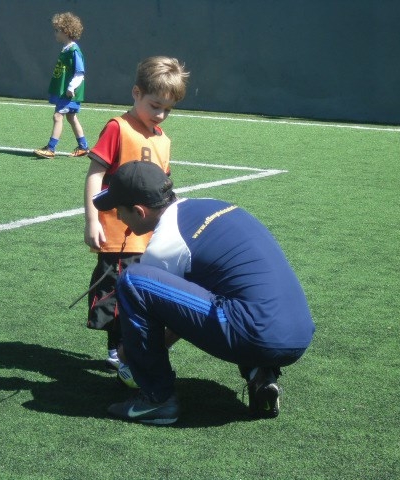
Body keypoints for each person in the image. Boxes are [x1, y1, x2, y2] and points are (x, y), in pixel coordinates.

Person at [92, 161, 316, 425]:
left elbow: (164, 318)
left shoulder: (164, 246)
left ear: (139, 212)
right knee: (235, 294)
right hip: (299, 333)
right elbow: (189, 307)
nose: (118, 217)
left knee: (133, 280)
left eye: (119, 209)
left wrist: (131, 354)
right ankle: (260, 374)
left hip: (256, 332)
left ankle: (156, 400)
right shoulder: (214, 204)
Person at [83, 57, 189, 383]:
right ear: (136, 93)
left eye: (167, 110)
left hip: (150, 235)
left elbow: (164, 189)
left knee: (144, 292)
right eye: (155, 105)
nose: (160, 115)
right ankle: (117, 349)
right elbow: (95, 173)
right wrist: (92, 219)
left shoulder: (163, 139)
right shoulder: (118, 127)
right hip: (116, 232)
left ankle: (132, 345)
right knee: (116, 291)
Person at [34, 12, 89, 159]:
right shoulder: (66, 49)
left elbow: (80, 72)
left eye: (57, 30)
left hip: (69, 93)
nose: (55, 33)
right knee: (71, 117)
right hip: (65, 92)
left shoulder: (74, 50)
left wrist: (71, 88)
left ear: (66, 32)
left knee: (58, 116)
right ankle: (83, 147)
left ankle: (51, 149)